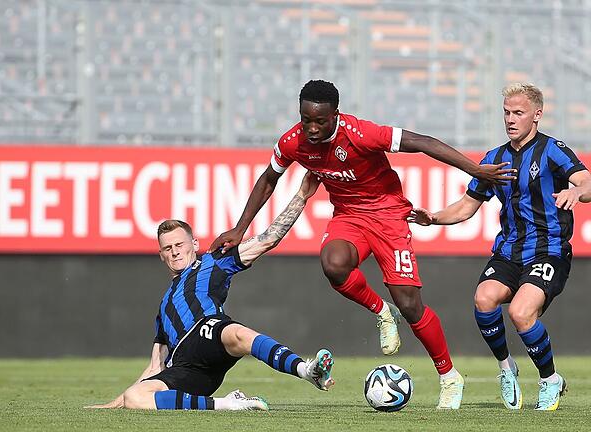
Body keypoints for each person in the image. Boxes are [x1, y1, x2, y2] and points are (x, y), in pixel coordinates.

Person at [210, 79, 518, 410]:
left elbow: (422, 142)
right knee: (333, 263)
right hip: (349, 216)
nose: (312, 129)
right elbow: (269, 179)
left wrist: (475, 170)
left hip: (387, 215)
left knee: (411, 304)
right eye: (306, 120)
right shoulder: (292, 142)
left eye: (320, 121)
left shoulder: (361, 133)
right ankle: (382, 311)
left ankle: (449, 376)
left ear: (336, 115)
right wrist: (240, 229)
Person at [409, 83, 591, 411]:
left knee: (521, 313)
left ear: (537, 115)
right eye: (506, 112)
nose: (510, 119)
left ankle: (549, 379)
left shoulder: (552, 150)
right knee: (483, 299)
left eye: (518, 113)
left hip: (549, 250)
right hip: (508, 251)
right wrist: (433, 218)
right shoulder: (494, 159)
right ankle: (507, 368)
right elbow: (467, 206)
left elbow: (587, 181)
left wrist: (577, 193)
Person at [87, 173, 333, 411]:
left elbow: (268, 238)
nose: (174, 252)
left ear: (194, 244)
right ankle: (227, 403)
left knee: (236, 333)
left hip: (208, 333)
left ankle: (306, 370)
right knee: (136, 397)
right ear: (161, 255)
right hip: (188, 371)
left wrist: (301, 195)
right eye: (167, 248)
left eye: (179, 244)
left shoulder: (213, 262)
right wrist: (119, 400)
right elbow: (155, 366)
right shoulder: (164, 308)